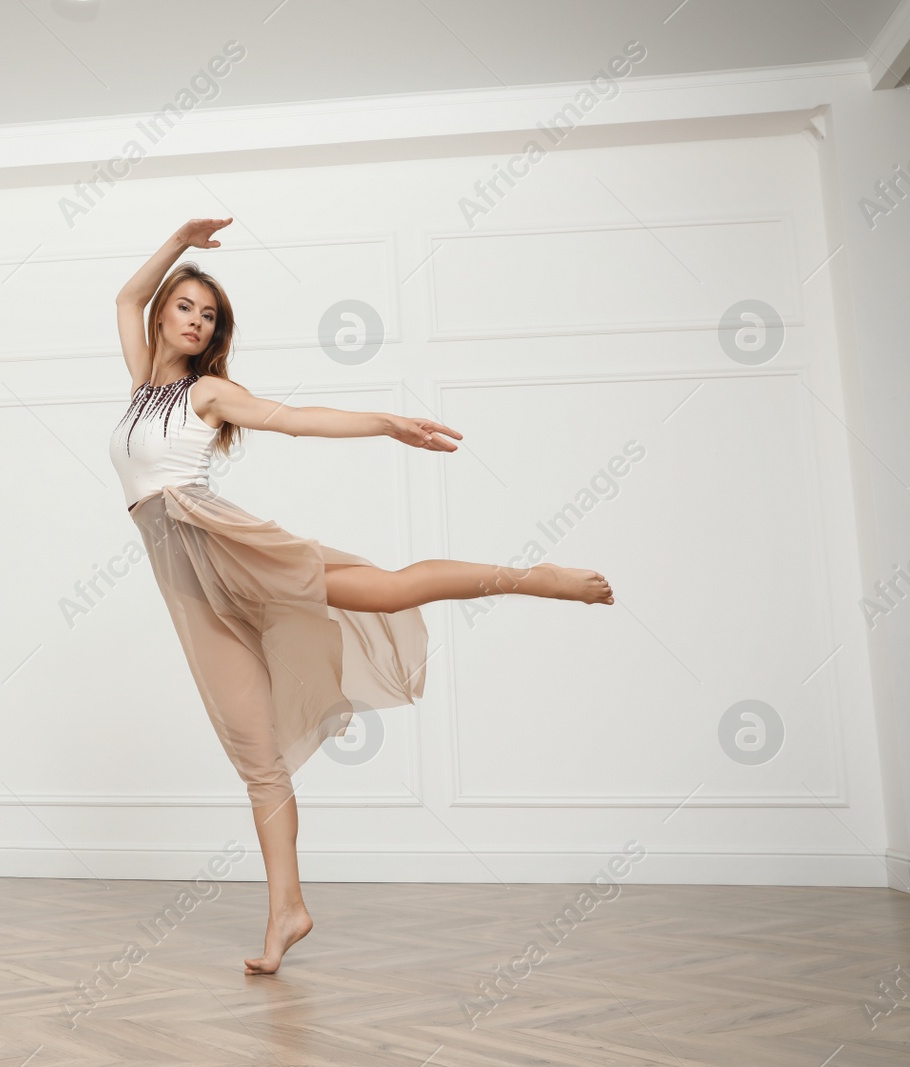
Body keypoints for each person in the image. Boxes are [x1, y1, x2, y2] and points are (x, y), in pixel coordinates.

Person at [110, 217, 614, 975]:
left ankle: (533, 578)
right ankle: (288, 909)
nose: (196, 320)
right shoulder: (140, 385)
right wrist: (181, 238)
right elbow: (125, 295)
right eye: (186, 306)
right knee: (257, 756)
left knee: (380, 591)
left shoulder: (208, 392)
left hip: (223, 545)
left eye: (208, 315)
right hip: (185, 584)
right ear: (163, 316)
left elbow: (298, 422)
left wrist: (384, 422)